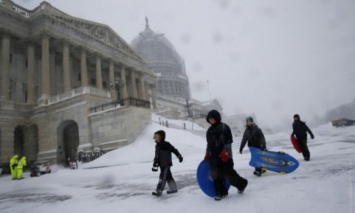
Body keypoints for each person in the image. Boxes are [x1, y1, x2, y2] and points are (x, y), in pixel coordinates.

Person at [205, 110, 248, 201]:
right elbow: (209, 144)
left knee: (229, 174)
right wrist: (207, 153)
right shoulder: (209, 131)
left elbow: (228, 141)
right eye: (209, 119)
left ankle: (242, 184)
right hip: (214, 157)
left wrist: (226, 151)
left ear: (216, 118)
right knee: (216, 176)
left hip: (225, 157)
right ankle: (221, 192)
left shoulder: (224, 127)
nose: (211, 120)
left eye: (212, 118)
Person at [152, 130, 183, 197]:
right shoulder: (157, 146)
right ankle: (173, 189)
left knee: (162, 177)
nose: (155, 138)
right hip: (161, 164)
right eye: (155, 136)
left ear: (161, 137)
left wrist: (179, 156)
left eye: (157, 136)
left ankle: (159, 191)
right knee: (169, 177)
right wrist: (155, 163)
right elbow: (156, 156)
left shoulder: (166, 144)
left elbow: (174, 150)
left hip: (166, 164)